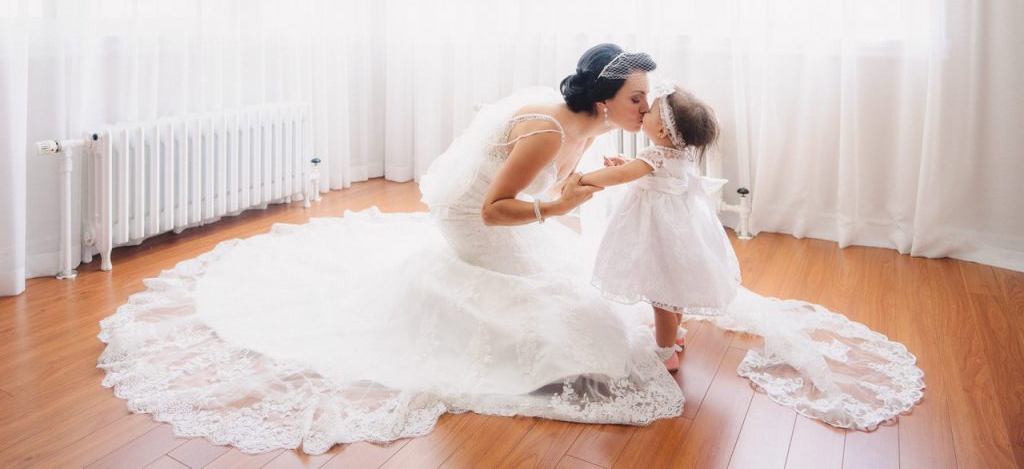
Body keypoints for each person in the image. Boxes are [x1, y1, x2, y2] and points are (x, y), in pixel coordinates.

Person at [99, 43, 685, 455]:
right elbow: (494, 209)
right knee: (567, 315)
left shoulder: (595, 126)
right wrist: (557, 209)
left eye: (647, 97)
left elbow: (554, 185)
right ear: (604, 97)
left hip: (514, 216)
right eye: (637, 98)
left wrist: (578, 187)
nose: (647, 108)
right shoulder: (548, 129)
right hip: (476, 220)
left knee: (575, 293)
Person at [581, 81, 741, 373]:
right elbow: (653, 173)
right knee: (673, 289)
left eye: (650, 111)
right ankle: (675, 335)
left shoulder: (653, 155)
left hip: (656, 230)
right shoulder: (680, 154)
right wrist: (627, 163)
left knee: (661, 297)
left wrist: (586, 178)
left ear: (663, 131)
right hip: (678, 229)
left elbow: (622, 177)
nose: (644, 111)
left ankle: (666, 353)